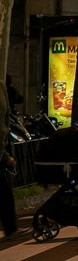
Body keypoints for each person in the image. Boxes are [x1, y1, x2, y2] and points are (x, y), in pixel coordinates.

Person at [0, 85, 20, 241]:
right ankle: (10, 228)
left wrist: (5, 154)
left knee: (4, 192)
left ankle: (11, 228)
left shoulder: (2, 87)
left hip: (1, 151)